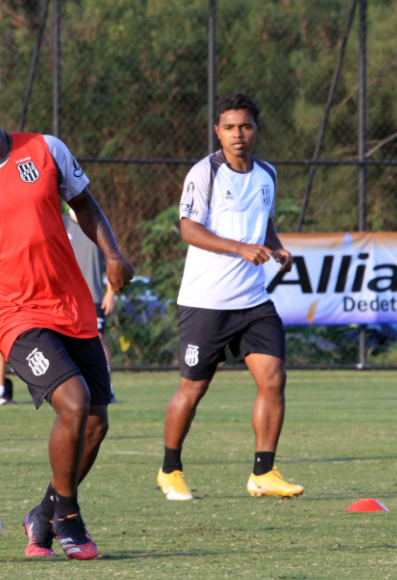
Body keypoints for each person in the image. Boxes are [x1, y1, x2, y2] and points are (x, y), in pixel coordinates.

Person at [0, 77, 134, 560]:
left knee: (96, 423)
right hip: (8, 312)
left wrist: (114, 254)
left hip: (70, 304)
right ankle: (69, 519)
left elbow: (84, 204)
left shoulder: (45, 151)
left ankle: (42, 513)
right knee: (74, 403)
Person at [158, 92, 304, 501]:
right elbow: (188, 229)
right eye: (229, 127)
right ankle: (170, 469)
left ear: (257, 130)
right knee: (192, 390)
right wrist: (240, 248)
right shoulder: (204, 172)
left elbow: (265, 220)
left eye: (245, 126)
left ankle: (263, 472)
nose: (237, 134)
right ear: (217, 131)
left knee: (273, 378)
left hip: (253, 303)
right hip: (206, 303)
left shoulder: (267, 174)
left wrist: (276, 247)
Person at [63, 208, 118, 402]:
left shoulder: (97, 226)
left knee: (98, 339)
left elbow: (113, 261)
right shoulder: (61, 224)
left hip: (92, 296)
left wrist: (110, 294)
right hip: (65, 298)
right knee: (65, 343)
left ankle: (106, 387)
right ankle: (71, 391)